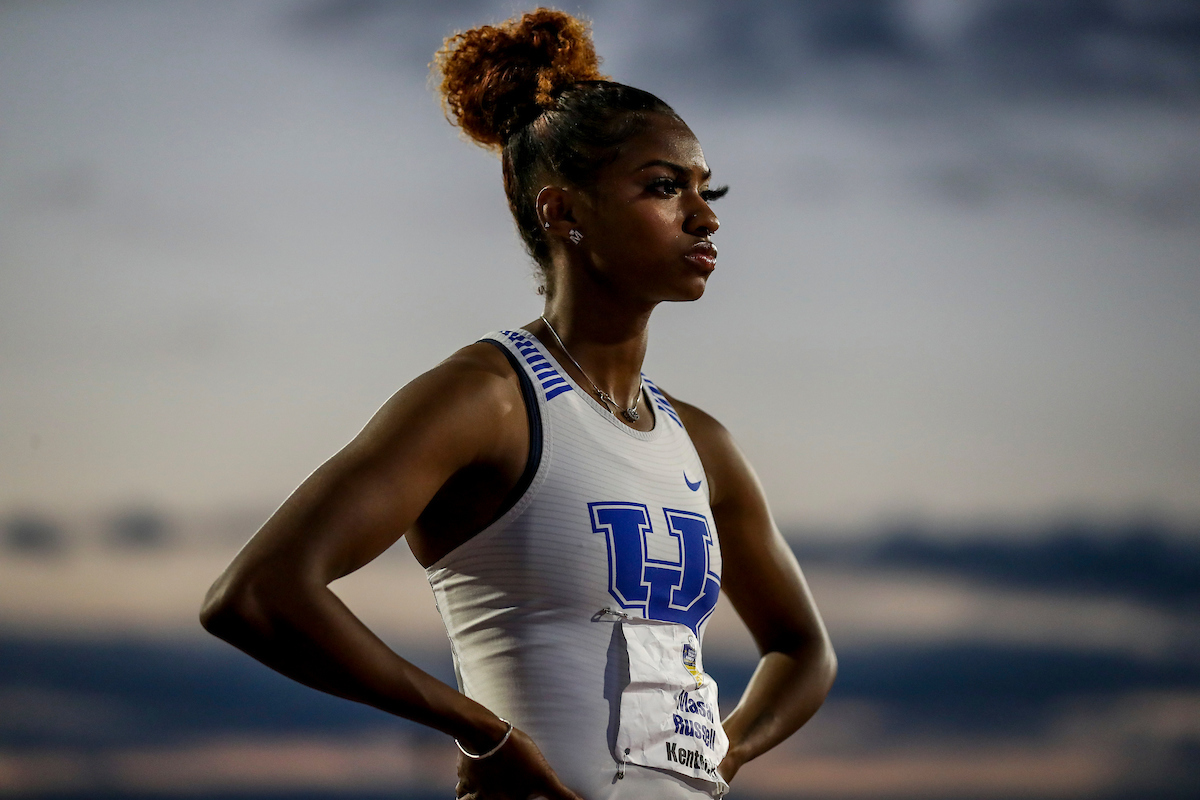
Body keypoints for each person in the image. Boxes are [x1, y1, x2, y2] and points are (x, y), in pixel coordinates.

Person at [200, 8, 835, 799]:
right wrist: (479, 729)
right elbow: (257, 594)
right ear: (563, 212)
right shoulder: (489, 400)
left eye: (709, 191)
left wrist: (723, 754)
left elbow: (804, 649)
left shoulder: (702, 443)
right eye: (665, 187)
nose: (704, 217)